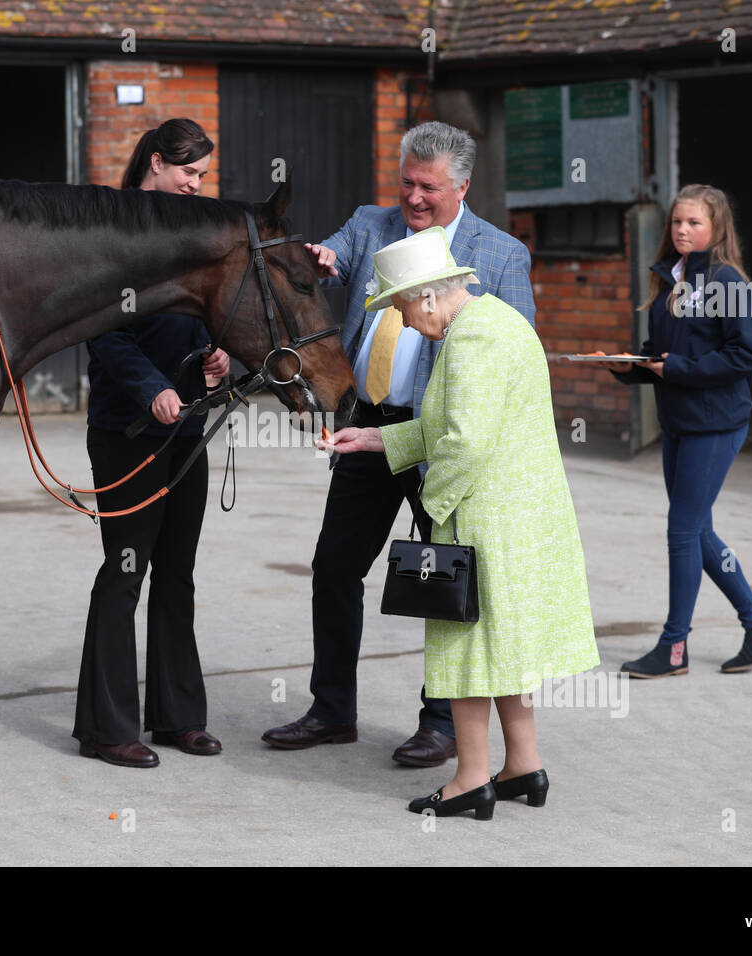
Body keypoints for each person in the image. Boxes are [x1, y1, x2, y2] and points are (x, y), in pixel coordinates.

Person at [261, 121, 536, 768]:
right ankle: (332, 710)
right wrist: (319, 258)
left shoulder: (499, 256)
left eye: (429, 187)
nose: (413, 197)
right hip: (370, 427)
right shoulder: (372, 223)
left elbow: (517, 352)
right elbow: (330, 253)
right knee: (334, 568)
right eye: (407, 182)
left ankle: (441, 723)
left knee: (446, 580)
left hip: (445, 437)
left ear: (462, 185)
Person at [321, 227, 599, 819]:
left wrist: (432, 503)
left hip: (481, 515)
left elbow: (465, 443)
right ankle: (523, 764)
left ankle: (471, 778)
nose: (400, 318)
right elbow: (454, 423)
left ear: (424, 296)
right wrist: (376, 437)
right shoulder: (493, 320)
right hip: (514, 514)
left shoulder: (471, 340)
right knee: (502, 646)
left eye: (398, 306)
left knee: (464, 647)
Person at [72, 118, 232, 767]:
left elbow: (194, 316)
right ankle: (107, 728)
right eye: (189, 173)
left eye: (201, 177)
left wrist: (211, 355)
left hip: (187, 423)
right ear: (158, 162)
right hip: (127, 430)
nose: (196, 186)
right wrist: (148, 387)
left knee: (178, 572)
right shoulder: (115, 233)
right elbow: (103, 331)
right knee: (127, 569)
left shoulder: (186, 233)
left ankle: (177, 717)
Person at [602, 184, 752, 677]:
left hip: (717, 422)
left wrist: (674, 368)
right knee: (697, 530)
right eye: (677, 222)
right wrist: (633, 366)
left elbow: (747, 355)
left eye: (694, 223)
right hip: (680, 420)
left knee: (682, 532)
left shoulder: (730, 283)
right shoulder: (672, 276)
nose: (683, 230)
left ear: (716, 228)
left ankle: (674, 647)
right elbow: (666, 353)